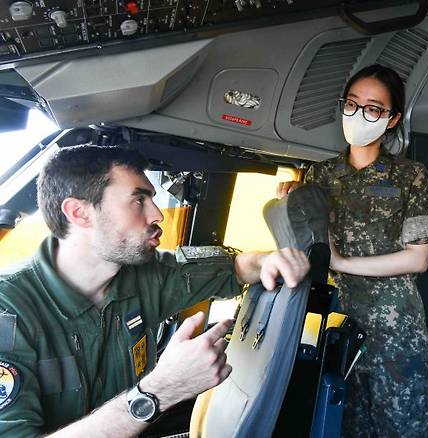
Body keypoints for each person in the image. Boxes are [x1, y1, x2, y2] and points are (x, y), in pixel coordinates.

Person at [0, 145, 309, 437]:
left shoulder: (141, 278)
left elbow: (234, 268)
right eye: (138, 201)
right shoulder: (9, 309)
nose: (157, 215)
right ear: (79, 213)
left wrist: (269, 259)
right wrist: (161, 389)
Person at [278, 64, 428, 437]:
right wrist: (290, 204)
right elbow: (307, 248)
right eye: (351, 104)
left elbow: (418, 258)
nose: (358, 115)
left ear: (391, 119)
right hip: (338, 325)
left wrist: (342, 262)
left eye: (373, 109)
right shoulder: (319, 175)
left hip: (397, 331)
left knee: (406, 427)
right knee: (345, 426)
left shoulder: (410, 176)